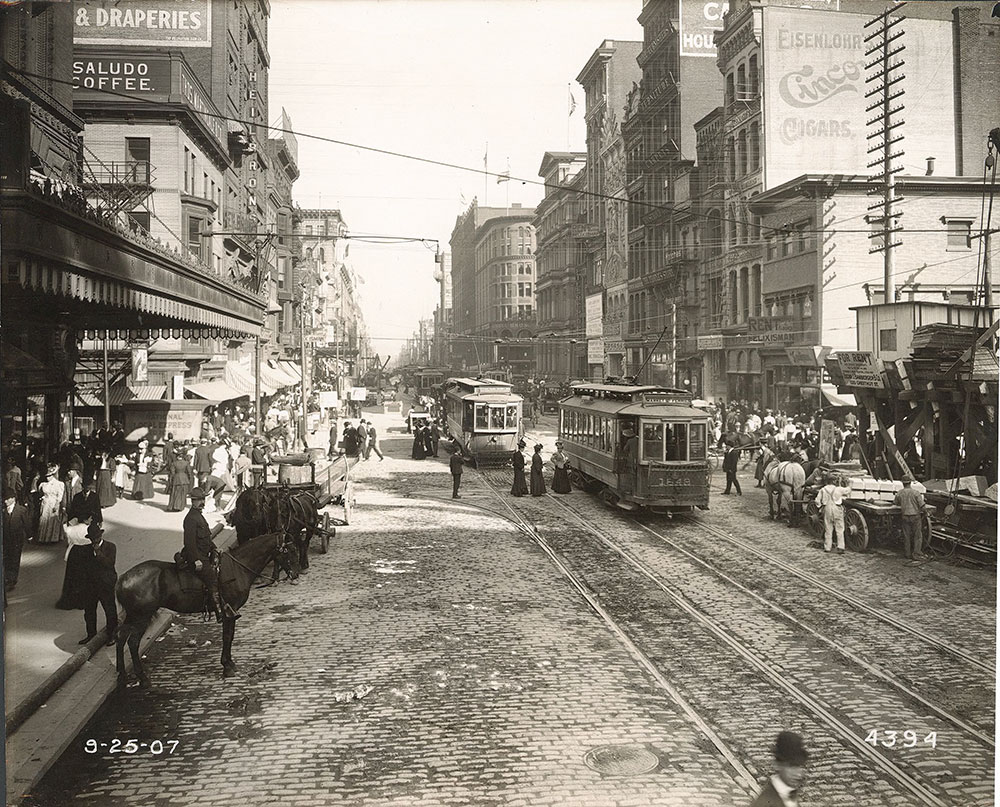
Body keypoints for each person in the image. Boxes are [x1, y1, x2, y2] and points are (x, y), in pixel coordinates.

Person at [182, 487, 238, 623]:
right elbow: (189, 543)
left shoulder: (199, 516)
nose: (201, 502)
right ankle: (220, 612)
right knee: (212, 579)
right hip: (197, 557)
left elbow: (206, 538)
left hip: (205, 554)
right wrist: (196, 560)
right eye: (198, 500)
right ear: (192, 501)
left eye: (202, 499)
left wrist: (215, 548)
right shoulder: (191, 519)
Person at [79, 521, 118, 646]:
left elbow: (109, 563)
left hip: (106, 584)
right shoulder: (86, 550)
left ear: (100, 536)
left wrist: (98, 553)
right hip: (91, 586)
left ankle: (112, 634)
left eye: (96, 538)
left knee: (109, 610)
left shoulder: (110, 547)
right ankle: (91, 634)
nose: (94, 541)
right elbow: (84, 567)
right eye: (92, 539)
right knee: (89, 611)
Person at [750, 731, 809, 807]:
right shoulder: (764, 803)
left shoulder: (789, 793)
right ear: (777, 765)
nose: (798, 774)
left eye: (799, 766)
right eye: (791, 766)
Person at [817, 474, 852, 554]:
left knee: (828, 528)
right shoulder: (838, 489)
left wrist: (820, 507)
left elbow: (817, 500)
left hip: (827, 508)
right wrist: (848, 484)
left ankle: (827, 547)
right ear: (833, 481)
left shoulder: (823, 489)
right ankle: (840, 547)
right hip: (837, 508)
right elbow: (848, 490)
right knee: (839, 528)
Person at [3, 489, 31, 590]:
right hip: (6, 540)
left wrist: (29, 535)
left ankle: (12, 580)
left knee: (15, 559)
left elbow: (27, 524)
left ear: (13, 499)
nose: (5, 501)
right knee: (7, 559)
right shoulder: (3, 511)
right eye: (4, 499)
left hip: (17, 540)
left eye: (7, 499)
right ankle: (7, 578)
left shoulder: (21, 510)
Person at [894, 478, 927, 560]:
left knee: (906, 535)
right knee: (917, 536)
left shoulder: (900, 493)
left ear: (903, 483)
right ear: (910, 483)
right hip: (915, 516)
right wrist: (926, 512)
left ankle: (907, 554)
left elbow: (896, 503)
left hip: (905, 516)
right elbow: (922, 505)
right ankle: (916, 554)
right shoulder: (916, 493)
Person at [37, 465, 65, 543]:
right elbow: (41, 493)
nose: (47, 478)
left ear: (53, 475)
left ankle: (52, 538)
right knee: (44, 518)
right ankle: (43, 538)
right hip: (45, 503)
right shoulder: (43, 484)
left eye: (49, 476)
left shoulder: (59, 484)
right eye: (47, 476)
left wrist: (56, 505)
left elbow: (60, 496)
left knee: (53, 519)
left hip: (53, 503)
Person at [167, 448, 193, 512]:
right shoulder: (186, 463)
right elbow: (189, 472)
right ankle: (181, 506)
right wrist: (189, 479)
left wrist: (171, 480)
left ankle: (174, 506)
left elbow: (172, 473)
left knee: (175, 493)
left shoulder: (174, 463)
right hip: (184, 479)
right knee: (183, 493)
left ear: (177, 456)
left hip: (176, 479)